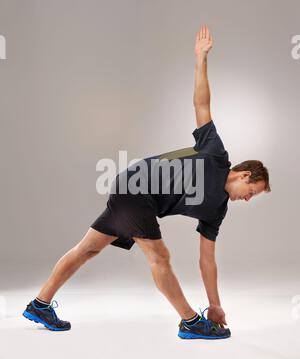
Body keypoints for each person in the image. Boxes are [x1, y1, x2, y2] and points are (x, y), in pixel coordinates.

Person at [23, 25, 271, 339]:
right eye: (251, 192)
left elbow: (206, 259)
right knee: (160, 255)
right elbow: (201, 105)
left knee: (87, 249)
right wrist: (201, 59)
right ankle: (191, 322)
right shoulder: (216, 154)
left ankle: (40, 304)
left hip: (132, 194)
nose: (248, 199)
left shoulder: (217, 211)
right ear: (244, 175)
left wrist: (215, 304)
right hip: (137, 188)